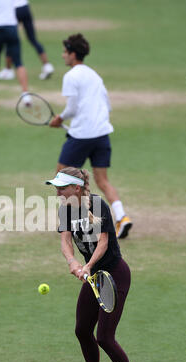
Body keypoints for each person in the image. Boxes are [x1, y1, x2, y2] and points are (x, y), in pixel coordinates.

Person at [45, 167, 147, 362]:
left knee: (104, 337)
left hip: (114, 275)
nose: (58, 192)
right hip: (94, 278)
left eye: (62, 187)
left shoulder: (97, 205)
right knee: (82, 329)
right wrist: (72, 262)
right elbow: (65, 241)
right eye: (56, 187)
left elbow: (103, 241)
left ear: (77, 188)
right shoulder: (65, 210)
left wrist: (88, 265)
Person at [49, 34, 132, 239]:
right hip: (102, 133)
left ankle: (72, 222)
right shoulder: (95, 75)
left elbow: (73, 106)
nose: (63, 56)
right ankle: (122, 217)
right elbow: (106, 104)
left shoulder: (71, 76)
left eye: (65, 52)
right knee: (102, 180)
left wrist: (60, 118)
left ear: (73, 54)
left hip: (82, 135)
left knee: (62, 176)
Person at [0, 0, 54, 81]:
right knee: (33, 39)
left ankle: (8, 70)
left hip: (13, 9)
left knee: (10, 39)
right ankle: (47, 65)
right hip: (25, 8)